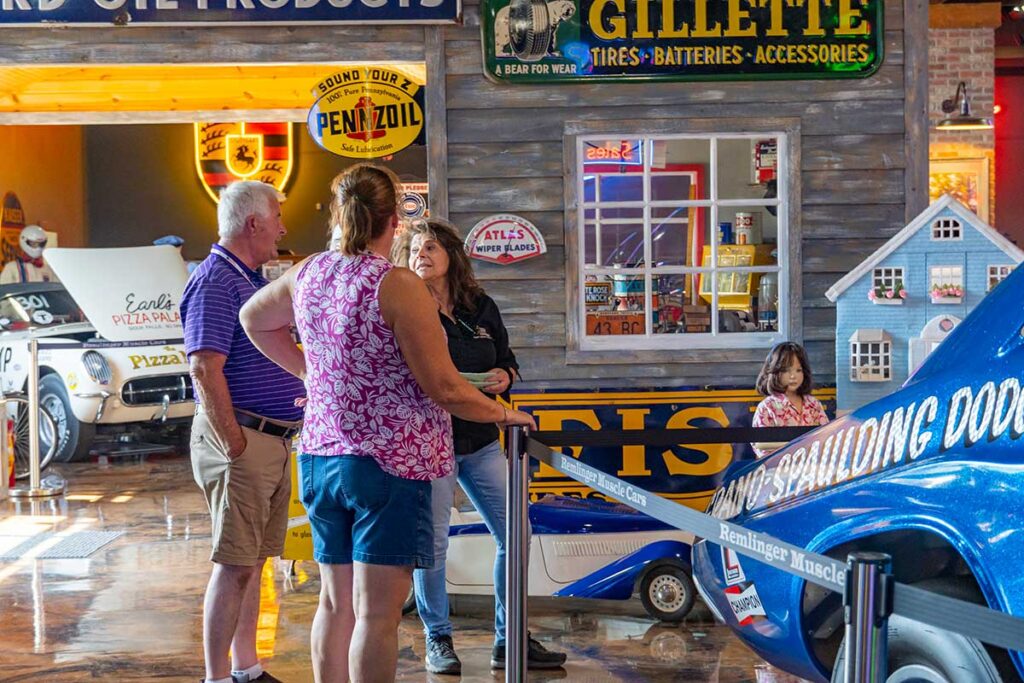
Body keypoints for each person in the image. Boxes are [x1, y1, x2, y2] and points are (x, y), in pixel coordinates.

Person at [239, 163, 536, 683]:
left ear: (339, 214)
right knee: (376, 616)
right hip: (390, 465)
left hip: (322, 457)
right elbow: (443, 388)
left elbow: (254, 319)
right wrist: (506, 413)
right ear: (394, 221)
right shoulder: (397, 284)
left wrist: (313, 372)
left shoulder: (308, 271)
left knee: (334, 604)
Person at [393, 218, 566, 674]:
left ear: (452, 254)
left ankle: (511, 638)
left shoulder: (480, 305)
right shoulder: (406, 306)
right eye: (412, 249)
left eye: (430, 247)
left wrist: (505, 377)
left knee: (516, 533)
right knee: (431, 545)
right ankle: (438, 638)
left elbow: (507, 359)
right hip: (432, 439)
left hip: (483, 440)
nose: (421, 255)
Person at [180, 181, 305, 683]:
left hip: (266, 440)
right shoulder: (215, 280)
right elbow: (204, 366)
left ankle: (246, 669)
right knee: (234, 565)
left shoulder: (248, 279)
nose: (283, 226)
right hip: (243, 440)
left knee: (251, 562)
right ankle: (217, 677)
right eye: (277, 216)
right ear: (253, 223)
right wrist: (234, 441)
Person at [751, 341, 829, 458]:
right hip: (779, 469)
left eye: (798, 370)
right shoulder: (767, 406)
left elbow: (827, 435)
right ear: (774, 371)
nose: (793, 376)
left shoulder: (813, 404)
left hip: (812, 467)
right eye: (786, 371)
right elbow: (760, 446)